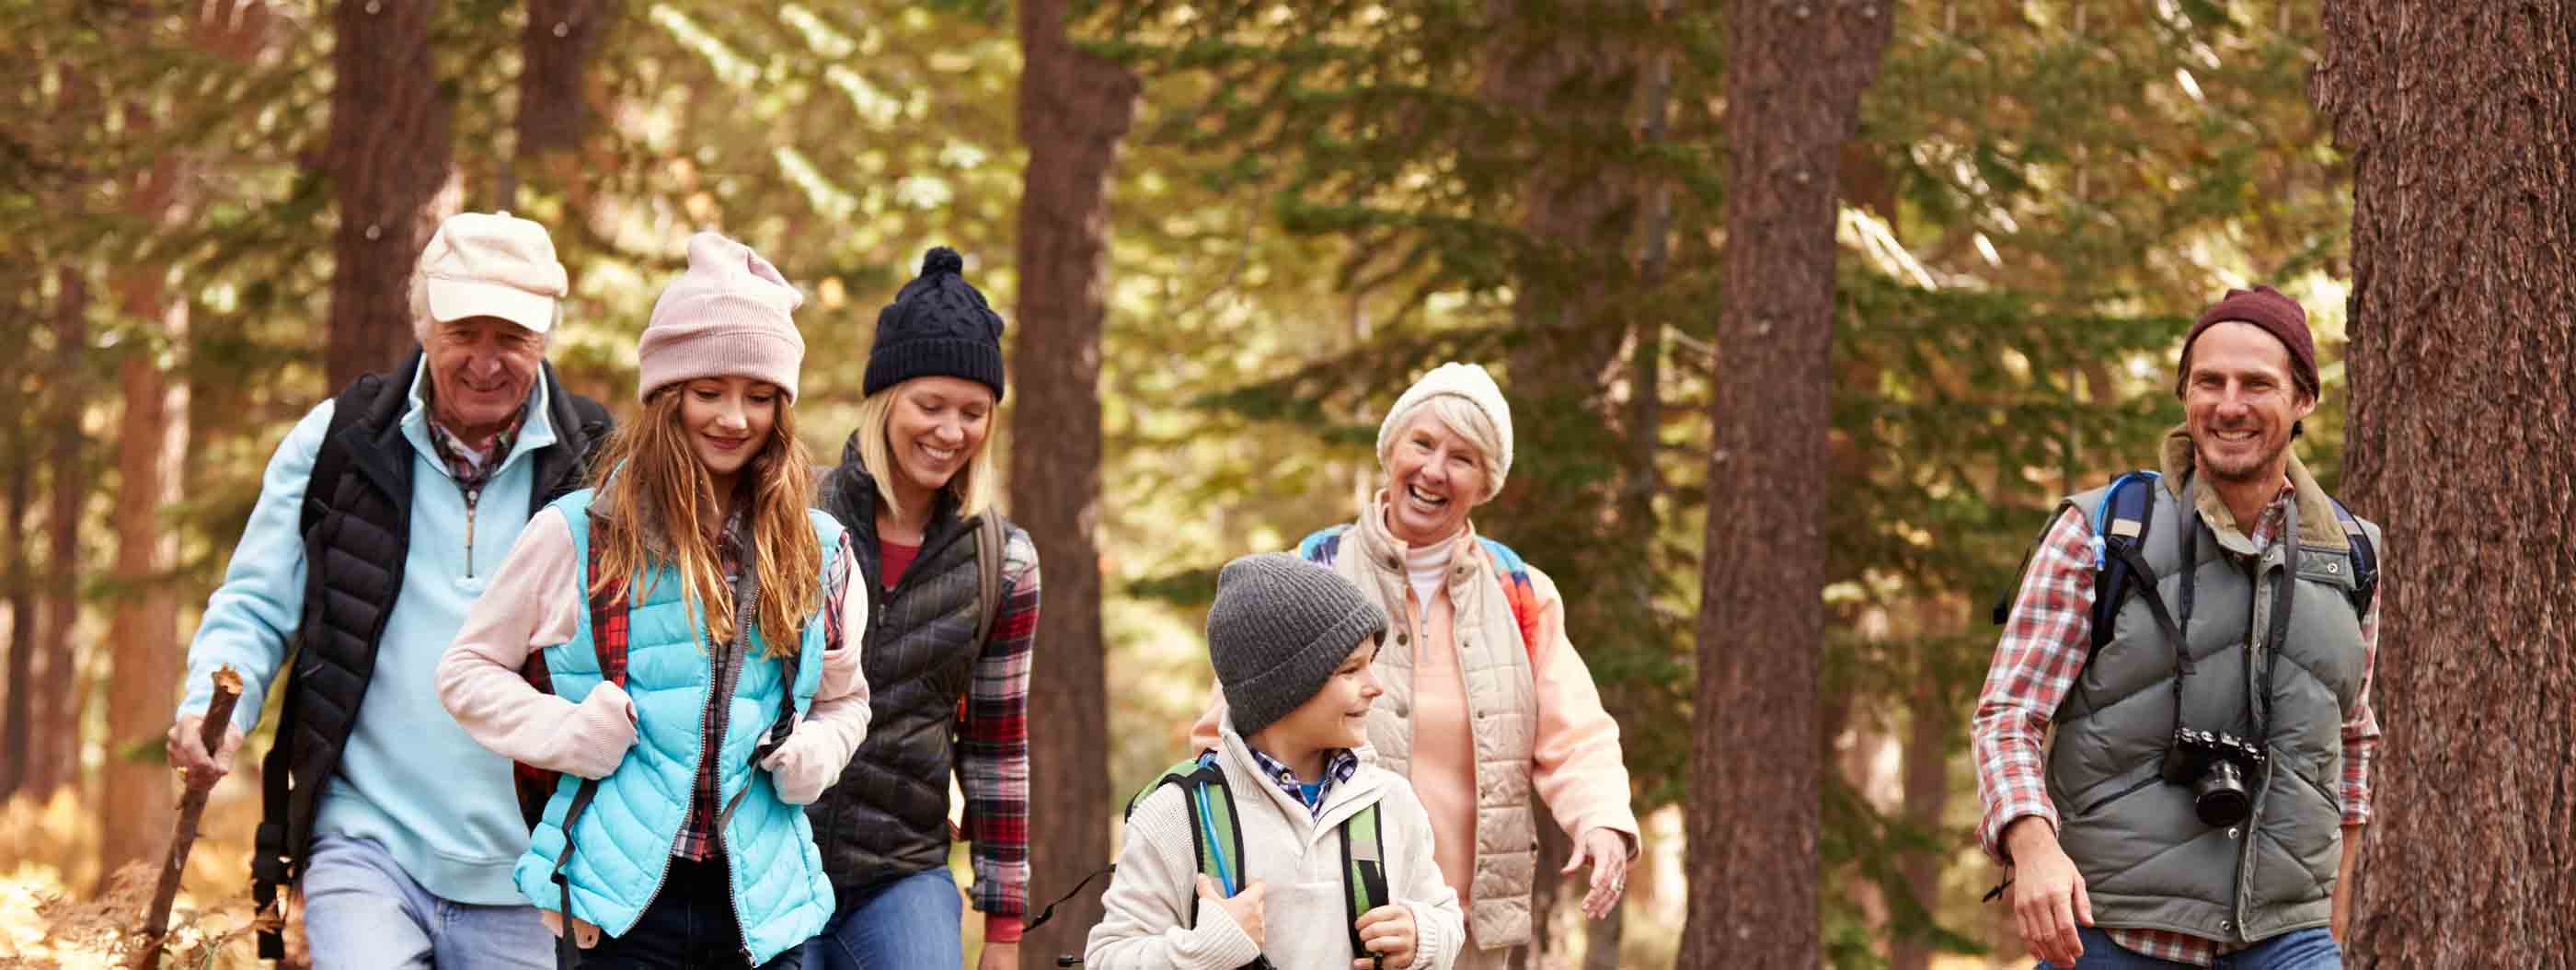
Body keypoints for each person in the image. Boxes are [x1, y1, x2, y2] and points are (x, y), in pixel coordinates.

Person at [167, 211, 612, 967]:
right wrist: (215, 709)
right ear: (423, 322)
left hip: (534, 872)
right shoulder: (338, 442)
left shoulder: (598, 466)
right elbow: (255, 604)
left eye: (511, 337)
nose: (485, 360)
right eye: (463, 331)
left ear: (546, 340)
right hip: (367, 842)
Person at [438, 232, 868, 969]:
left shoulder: (819, 549)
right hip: (616, 903)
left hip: (761, 906)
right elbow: (466, 672)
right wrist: (565, 730)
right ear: (667, 397)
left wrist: (818, 753)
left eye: (759, 396)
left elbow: (846, 701)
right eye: (709, 392)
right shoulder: (578, 534)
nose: (735, 418)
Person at [1972, 285, 2384, 970]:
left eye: (2257, 384)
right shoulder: (2103, 532)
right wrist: (2033, 846)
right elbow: (2008, 715)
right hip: (2113, 931)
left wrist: (2333, 918)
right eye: (2208, 383)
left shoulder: (2353, 554)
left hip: (2287, 939)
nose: (2229, 405)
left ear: (2304, 399)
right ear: (2184, 394)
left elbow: (2353, 736)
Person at [1188, 363, 1639, 968]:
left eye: (1463, 457)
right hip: (1329, 923)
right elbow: (1223, 735)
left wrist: (1603, 819)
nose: (1433, 470)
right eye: (1421, 444)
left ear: (1485, 484)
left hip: (1467, 930)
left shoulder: (1520, 593)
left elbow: (1577, 735)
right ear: (1390, 450)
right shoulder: (1312, 572)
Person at [803, 248, 1040, 970]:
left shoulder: (1004, 561)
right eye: (929, 405)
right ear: (886, 401)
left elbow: (996, 748)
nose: (950, 431)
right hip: (771, 856)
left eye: (973, 412)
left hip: (898, 874)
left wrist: (1003, 930)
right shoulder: (795, 516)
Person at [1088, 553, 1466, 970]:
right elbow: (1108, 958)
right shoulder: (1177, 815)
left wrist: (1422, 936)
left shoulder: (1391, 802)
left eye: (1370, 665)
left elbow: (1445, 917)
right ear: (1285, 690)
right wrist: (1205, 949)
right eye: (1350, 670)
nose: (1376, 686)